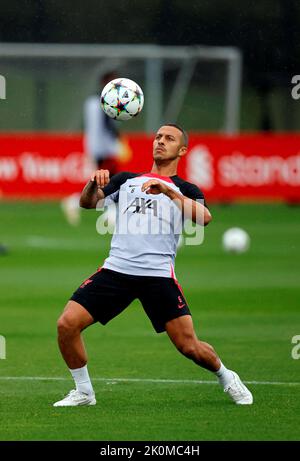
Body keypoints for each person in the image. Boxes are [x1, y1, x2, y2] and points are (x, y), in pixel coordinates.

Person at [54, 124, 253, 407]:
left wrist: (169, 192)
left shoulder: (186, 189)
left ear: (182, 150)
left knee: (189, 346)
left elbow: (204, 218)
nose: (160, 141)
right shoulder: (125, 180)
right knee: (67, 324)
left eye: (169, 139)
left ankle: (226, 376)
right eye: (158, 137)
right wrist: (91, 184)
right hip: (116, 271)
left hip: (157, 276)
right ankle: (84, 392)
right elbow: (88, 204)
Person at [61, 71, 120, 226]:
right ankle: (75, 202)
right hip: (105, 148)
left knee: (107, 181)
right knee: (110, 180)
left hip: (94, 146)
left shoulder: (92, 101)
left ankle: (110, 212)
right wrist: (117, 137)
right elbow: (107, 124)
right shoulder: (106, 102)